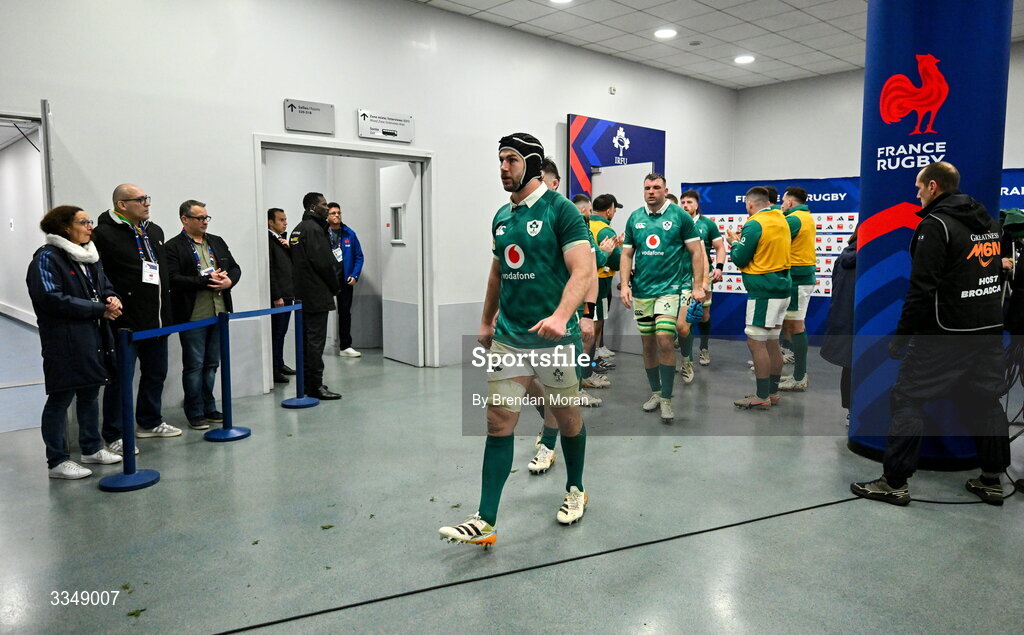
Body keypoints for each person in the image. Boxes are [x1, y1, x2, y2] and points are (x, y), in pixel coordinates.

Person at [440, 133, 594, 546]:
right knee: (497, 422)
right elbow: (497, 272)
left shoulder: (562, 212)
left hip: (556, 342)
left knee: (567, 419)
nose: (503, 168)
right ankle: (485, 519)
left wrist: (563, 316)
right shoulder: (502, 217)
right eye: (500, 160)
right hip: (511, 338)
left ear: (532, 163)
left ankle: (576, 487)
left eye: (510, 160)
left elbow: (583, 270)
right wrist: (487, 321)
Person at [852, 162, 1010, 506]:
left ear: (934, 186)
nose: (917, 192)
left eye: (919, 186)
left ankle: (894, 483)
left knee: (907, 398)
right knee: (987, 400)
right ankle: (992, 480)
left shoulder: (935, 225)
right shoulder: (988, 223)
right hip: (987, 331)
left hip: (943, 333)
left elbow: (921, 289)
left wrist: (902, 337)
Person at [27, 206, 124, 478]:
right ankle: (57, 461)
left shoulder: (90, 255)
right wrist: (98, 309)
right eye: (83, 222)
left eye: (89, 221)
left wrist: (111, 298)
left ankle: (91, 448)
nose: (90, 226)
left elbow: (103, 285)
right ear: (64, 227)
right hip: (64, 341)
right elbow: (50, 298)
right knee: (61, 398)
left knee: (90, 392)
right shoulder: (47, 259)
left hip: (93, 337)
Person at [92, 184, 181, 450]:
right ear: (122, 204)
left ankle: (150, 422)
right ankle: (114, 434)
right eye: (140, 200)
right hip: (124, 322)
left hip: (157, 319)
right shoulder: (103, 235)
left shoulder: (154, 231)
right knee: (120, 379)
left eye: (147, 199)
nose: (147, 203)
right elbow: (99, 275)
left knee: (156, 373)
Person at [620, 174, 706, 421]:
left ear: (665, 190)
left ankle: (667, 399)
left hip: (670, 289)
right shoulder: (635, 217)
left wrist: (698, 285)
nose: (651, 191)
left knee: (664, 338)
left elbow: (696, 251)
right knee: (648, 344)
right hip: (642, 291)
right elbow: (626, 255)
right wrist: (625, 284)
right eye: (647, 187)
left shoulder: (679, 216)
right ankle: (656, 393)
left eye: (656, 188)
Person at [165, 200, 241, 430]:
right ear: (184, 220)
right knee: (194, 365)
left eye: (207, 218)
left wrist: (229, 282)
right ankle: (194, 410)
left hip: (219, 312)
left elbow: (235, 268)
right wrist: (205, 281)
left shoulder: (216, 242)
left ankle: (209, 406)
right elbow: (173, 279)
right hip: (193, 316)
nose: (204, 222)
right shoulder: (173, 247)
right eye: (199, 218)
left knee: (212, 364)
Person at [726, 186, 791, 410]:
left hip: (764, 290)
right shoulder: (782, 219)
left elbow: (740, 258)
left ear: (751, 204)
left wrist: (734, 241)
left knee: (756, 343)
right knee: (772, 342)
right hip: (782, 288)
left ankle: (762, 395)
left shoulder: (754, 223)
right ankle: (772, 392)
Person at [290, 192, 342, 400]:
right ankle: (315, 386)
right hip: (316, 294)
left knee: (306, 341)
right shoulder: (313, 230)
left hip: (303, 294)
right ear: (313, 207)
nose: (326, 207)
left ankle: (307, 383)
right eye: (323, 204)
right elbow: (323, 263)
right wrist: (335, 286)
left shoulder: (298, 229)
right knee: (315, 343)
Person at [679, 189, 725, 371]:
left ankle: (704, 348)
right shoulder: (677, 222)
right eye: (682, 202)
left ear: (697, 205)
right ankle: (687, 357)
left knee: (703, 315)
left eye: (689, 202)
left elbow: (720, 247)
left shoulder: (707, 224)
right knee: (684, 318)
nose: (685, 205)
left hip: (703, 275)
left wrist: (720, 267)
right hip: (681, 276)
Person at [778, 186, 817, 391]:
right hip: (800, 278)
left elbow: (773, 241)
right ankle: (797, 373)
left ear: (791, 202)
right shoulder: (805, 216)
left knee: (796, 326)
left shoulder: (794, 219)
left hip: (798, 279)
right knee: (792, 325)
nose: (782, 205)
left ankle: (800, 377)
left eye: (783, 201)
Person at [820, 228, 857, 426]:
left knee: (849, 365)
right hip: (866, 328)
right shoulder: (870, 259)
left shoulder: (845, 255)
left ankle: (851, 411)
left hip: (846, 323)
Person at [327, 202, 365, 358]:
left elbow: (359, 256)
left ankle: (345, 346)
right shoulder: (321, 233)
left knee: (344, 313)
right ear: (327, 216)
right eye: (333, 213)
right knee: (320, 313)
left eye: (338, 213)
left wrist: (354, 275)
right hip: (327, 280)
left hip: (345, 280)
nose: (337, 215)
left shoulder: (349, 233)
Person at [589, 194, 623, 364]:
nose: (615, 213)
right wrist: (622, 247)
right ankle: (592, 359)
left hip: (587, 281)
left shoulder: (586, 224)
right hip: (601, 282)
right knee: (597, 319)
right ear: (609, 211)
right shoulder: (606, 230)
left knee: (591, 318)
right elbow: (616, 260)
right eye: (615, 210)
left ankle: (591, 358)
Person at [267, 208, 295, 384]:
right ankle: (274, 369)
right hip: (280, 296)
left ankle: (280, 363)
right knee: (276, 333)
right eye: (281, 220)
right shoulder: (268, 241)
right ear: (270, 222)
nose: (285, 223)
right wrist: (277, 295)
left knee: (282, 332)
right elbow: (271, 270)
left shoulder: (281, 241)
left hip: (288, 292)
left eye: (285, 219)